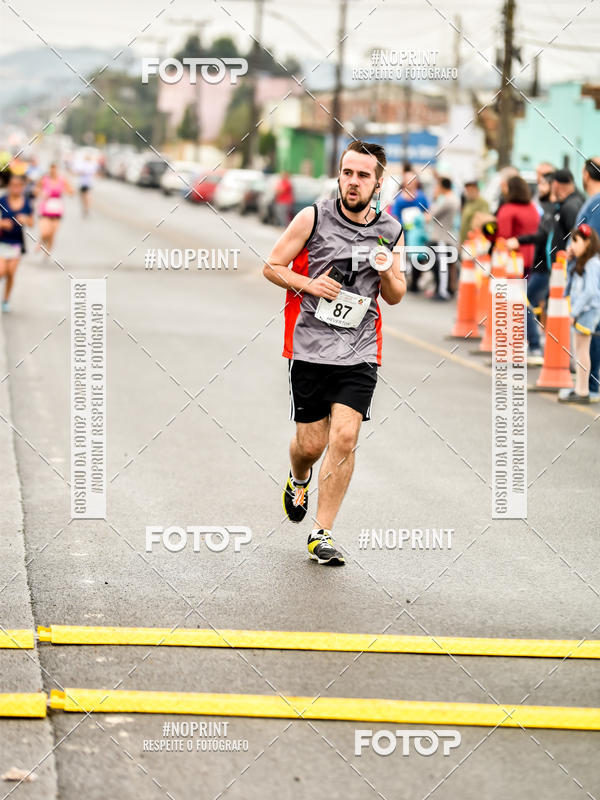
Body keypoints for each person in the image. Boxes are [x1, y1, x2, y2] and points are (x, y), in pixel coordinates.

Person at [263, 140, 405, 566]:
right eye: (348, 173)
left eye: (363, 175)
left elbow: (396, 295)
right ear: (339, 175)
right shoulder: (313, 216)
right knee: (310, 444)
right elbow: (272, 265)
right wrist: (310, 284)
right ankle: (298, 477)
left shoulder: (391, 230)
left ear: (378, 182)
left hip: (360, 350)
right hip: (310, 347)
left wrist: (385, 270)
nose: (353, 182)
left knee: (345, 437)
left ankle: (321, 532)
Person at [506, 170, 555, 363]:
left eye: (543, 184)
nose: (539, 188)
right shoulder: (541, 208)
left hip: (546, 267)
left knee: (524, 302)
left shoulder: (552, 210)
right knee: (532, 304)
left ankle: (535, 346)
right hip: (538, 264)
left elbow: (542, 236)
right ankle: (538, 344)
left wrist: (519, 240)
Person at [559, 224, 600, 404]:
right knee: (580, 350)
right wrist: (570, 261)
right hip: (583, 311)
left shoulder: (593, 263)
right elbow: (570, 281)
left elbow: (591, 292)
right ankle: (580, 389)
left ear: (588, 242)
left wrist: (574, 312)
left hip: (587, 312)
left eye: (576, 241)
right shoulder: (581, 262)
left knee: (582, 351)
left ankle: (582, 390)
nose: (572, 246)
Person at [574, 157, 600, 400]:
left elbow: (591, 240)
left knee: (589, 338)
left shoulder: (596, 204)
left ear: (585, 174)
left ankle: (589, 386)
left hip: (591, 282)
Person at [390, 170, 429, 291]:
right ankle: (401, 281)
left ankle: (415, 283)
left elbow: (428, 213)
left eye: (413, 181)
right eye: (408, 181)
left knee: (418, 256)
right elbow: (394, 216)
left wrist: (421, 220)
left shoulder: (421, 196)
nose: (410, 183)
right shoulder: (400, 198)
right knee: (402, 258)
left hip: (417, 233)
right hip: (403, 233)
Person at [0, 173, 34, 312]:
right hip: (2, 241)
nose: (16, 188)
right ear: (9, 186)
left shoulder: (26, 203)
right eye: (13, 185)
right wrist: (1, 224)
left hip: (16, 243)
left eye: (19, 186)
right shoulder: (2, 200)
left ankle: (6, 300)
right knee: (2, 271)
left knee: (11, 273)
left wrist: (25, 219)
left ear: (22, 187)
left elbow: (32, 222)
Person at [425, 176, 460, 300]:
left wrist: (434, 199)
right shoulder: (453, 199)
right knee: (443, 266)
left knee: (441, 267)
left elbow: (429, 216)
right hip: (446, 237)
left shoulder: (448, 200)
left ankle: (442, 292)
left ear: (442, 186)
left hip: (442, 238)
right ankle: (442, 290)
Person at [36, 163, 73, 256]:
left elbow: (71, 191)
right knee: (45, 231)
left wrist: (67, 191)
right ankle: (41, 241)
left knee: (52, 233)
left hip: (57, 209)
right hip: (45, 208)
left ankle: (47, 251)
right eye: (51, 169)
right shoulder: (44, 179)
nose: (53, 171)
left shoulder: (62, 180)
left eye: (55, 169)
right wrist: (41, 194)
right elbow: (36, 190)